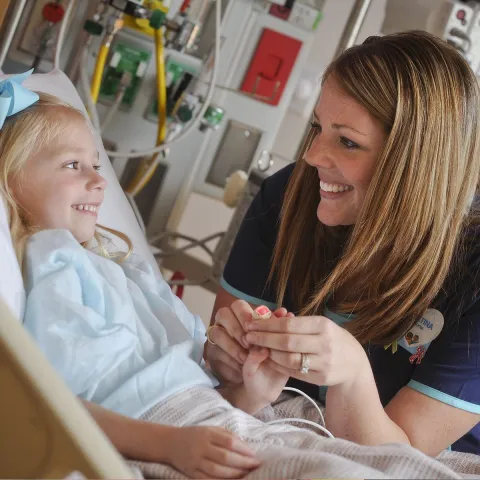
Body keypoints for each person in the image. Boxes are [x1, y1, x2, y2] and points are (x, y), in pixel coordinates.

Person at [0, 72, 290, 479]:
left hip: (214, 419)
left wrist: (247, 391)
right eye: (72, 165)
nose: (100, 180)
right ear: (11, 179)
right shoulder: (56, 263)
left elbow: (188, 383)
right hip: (158, 435)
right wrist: (168, 445)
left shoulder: (116, 265)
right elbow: (58, 404)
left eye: (96, 165)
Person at [206, 30, 480, 456]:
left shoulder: (473, 270)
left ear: (415, 164)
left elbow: (399, 462)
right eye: (318, 127)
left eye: (347, 141)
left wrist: (351, 372)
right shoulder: (290, 194)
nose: (313, 155)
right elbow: (225, 364)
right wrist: (229, 354)